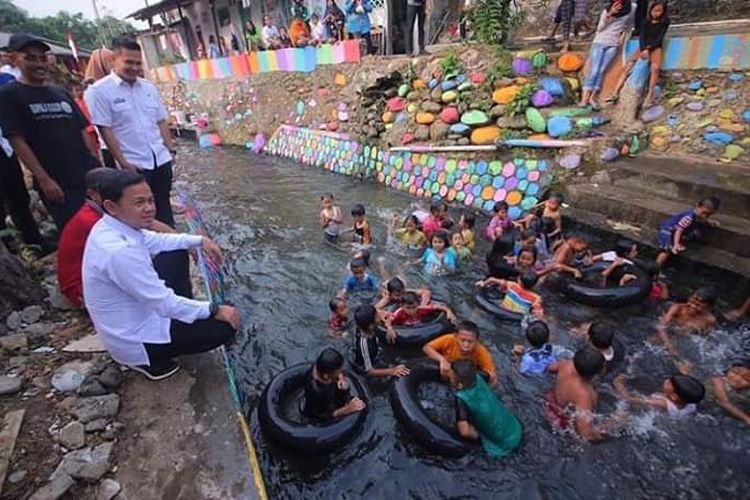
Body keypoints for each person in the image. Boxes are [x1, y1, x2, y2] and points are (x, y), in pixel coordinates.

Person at [82, 171, 240, 379]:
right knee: (223, 328)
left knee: (175, 252)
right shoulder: (119, 251)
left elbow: (157, 241)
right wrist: (214, 308)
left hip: (138, 312)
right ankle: (147, 361)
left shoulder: (113, 225)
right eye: (139, 203)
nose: (149, 208)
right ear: (112, 206)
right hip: (137, 338)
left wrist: (199, 241)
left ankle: (187, 317)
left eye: (150, 200)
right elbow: (164, 303)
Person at [86, 36, 190, 297]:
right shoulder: (100, 91)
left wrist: (170, 149)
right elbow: (105, 129)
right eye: (128, 62)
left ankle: (176, 275)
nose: (134, 67)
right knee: (138, 220)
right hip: (131, 166)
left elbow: (160, 121)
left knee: (161, 210)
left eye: (137, 62)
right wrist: (123, 163)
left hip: (158, 159)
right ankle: (149, 277)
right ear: (114, 59)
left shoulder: (148, 88)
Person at [0, 34, 100, 231]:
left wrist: (96, 164)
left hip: (85, 173)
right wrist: (44, 180)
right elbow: (17, 140)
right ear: (13, 59)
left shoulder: (60, 92)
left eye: (42, 58)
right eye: (30, 57)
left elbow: (82, 129)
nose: (39, 63)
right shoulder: (9, 95)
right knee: (78, 232)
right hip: (56, 181)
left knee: (102, 226)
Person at [451, 359, 522, 458]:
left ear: (459, 385)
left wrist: (479, 435)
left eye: (451, 375)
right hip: (515, 429)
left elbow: (465, 431)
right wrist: (488, 391)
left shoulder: (461, 398)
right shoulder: (479, 376)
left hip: (503, 445)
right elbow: (494, 378)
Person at [546, 348, 621, 440]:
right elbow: (586, 434)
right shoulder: (584, 395)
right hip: (561, 420)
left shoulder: (567, 365)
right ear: (598, 372)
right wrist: (614, 423)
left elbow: (550, 368)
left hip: (551, 400)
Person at [610, 0, 670, 106]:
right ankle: (615, 92)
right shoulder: (645, 21)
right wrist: (643, 49)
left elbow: (660, 38)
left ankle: (650, 94)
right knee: (628, 66)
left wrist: (649, 48)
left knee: (655, 69)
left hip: (655, 47)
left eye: (659, 11)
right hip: (643, 47)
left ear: (663, 12)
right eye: (654, 10)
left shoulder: (665, 22)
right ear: (650, 10)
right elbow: (641, 37)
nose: (656, 13)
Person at [580, 0, 634, 109]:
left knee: (601, 70)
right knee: (594, 70)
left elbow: (628, 25)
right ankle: (584, 98)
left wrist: (622, 36)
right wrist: (610, 14)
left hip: (613, 44)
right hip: (599, 42)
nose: (618, 6)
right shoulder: (606, 10)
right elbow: (599, 28)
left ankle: (593, 98)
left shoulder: (631, 9)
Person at [656, 287, 717, 367]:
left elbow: (705, 340)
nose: (692, 306)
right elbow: (661, 327)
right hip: (668, 334)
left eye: (698, 305)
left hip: (684, 342)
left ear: (708, 308)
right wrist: (670, 346)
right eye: (691, 301)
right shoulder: (678, 308)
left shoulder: (709, 320)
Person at [423, 321, 497, 386]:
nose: (466, 345)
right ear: (455, 337)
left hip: (465, 378)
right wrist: (442, 360)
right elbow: (427, 348)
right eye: (462, 340)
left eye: (470, 341)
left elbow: (493, 377)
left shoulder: (482, 352)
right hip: (447, 371)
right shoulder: (449, 339)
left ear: (477, 340)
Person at [302, 348, 366, 420]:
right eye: (338, 372)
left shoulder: (320, 369)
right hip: (316, 414)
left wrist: (341, 378)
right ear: (326, 376)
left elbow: (337, 373)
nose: (341, 373)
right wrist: (347, 409)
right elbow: (318, 417)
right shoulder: (316, 391)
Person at [656, 196, 720, 267]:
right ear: (697, 206)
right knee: (666, 251)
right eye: (703, 213)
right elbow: (679, 230)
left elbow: (702, 219)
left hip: (673, 230)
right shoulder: (688, 218)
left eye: (708, 215)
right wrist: (676, 244)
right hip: (667, 230)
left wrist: (710, 222)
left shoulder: (697, 214)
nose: (704, 216)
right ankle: (655, 270)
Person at [352, 304, 409, 377]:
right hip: (365, 365)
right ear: (371, 326)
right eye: (377, 316)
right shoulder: (364, 345)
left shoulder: (367, 324)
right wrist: (393, 370)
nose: (380, 316)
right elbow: (369, 371)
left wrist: (389, 327)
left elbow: (383, 313)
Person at [614, 373, 705, 418]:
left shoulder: (661, 403)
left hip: (654, 414)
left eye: (669, 383)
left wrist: (619, 385)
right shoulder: (692, 402)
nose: (666, 380)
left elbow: (630, 400)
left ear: (674, 396)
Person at [83, 49, 116, 168]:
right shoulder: (93, 90)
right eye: (109, 61)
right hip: (109, 145)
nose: (113, 64)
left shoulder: (116, 84)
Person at [475, 271, 544, 319]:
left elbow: (492, 279)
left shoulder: (512, 285)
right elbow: (538, 313)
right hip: (515, 318)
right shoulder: (536, 298)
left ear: (519, 280)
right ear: (534, 285)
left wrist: (483, 283)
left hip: (501, 309)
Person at [389, 291, 456, 326]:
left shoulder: (421, 309)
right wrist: (389, 328)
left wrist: (448, 311)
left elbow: (438, 306)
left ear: (418, 304)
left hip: (421, 325)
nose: (412, 310)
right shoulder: (398, 313)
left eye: (414, 307)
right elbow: (388, 320)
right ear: (402, 306)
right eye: (408, 308)